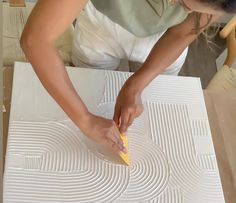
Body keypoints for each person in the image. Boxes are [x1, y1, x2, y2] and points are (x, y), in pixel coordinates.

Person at [20, 0, 236, 154]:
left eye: (186, 8)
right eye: (183, 4)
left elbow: (181, 33)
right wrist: (84, 119)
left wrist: (136, 85)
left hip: (162, 38)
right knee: (89, 88)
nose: (175, 6)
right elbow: (35, 40)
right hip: (101, 27)